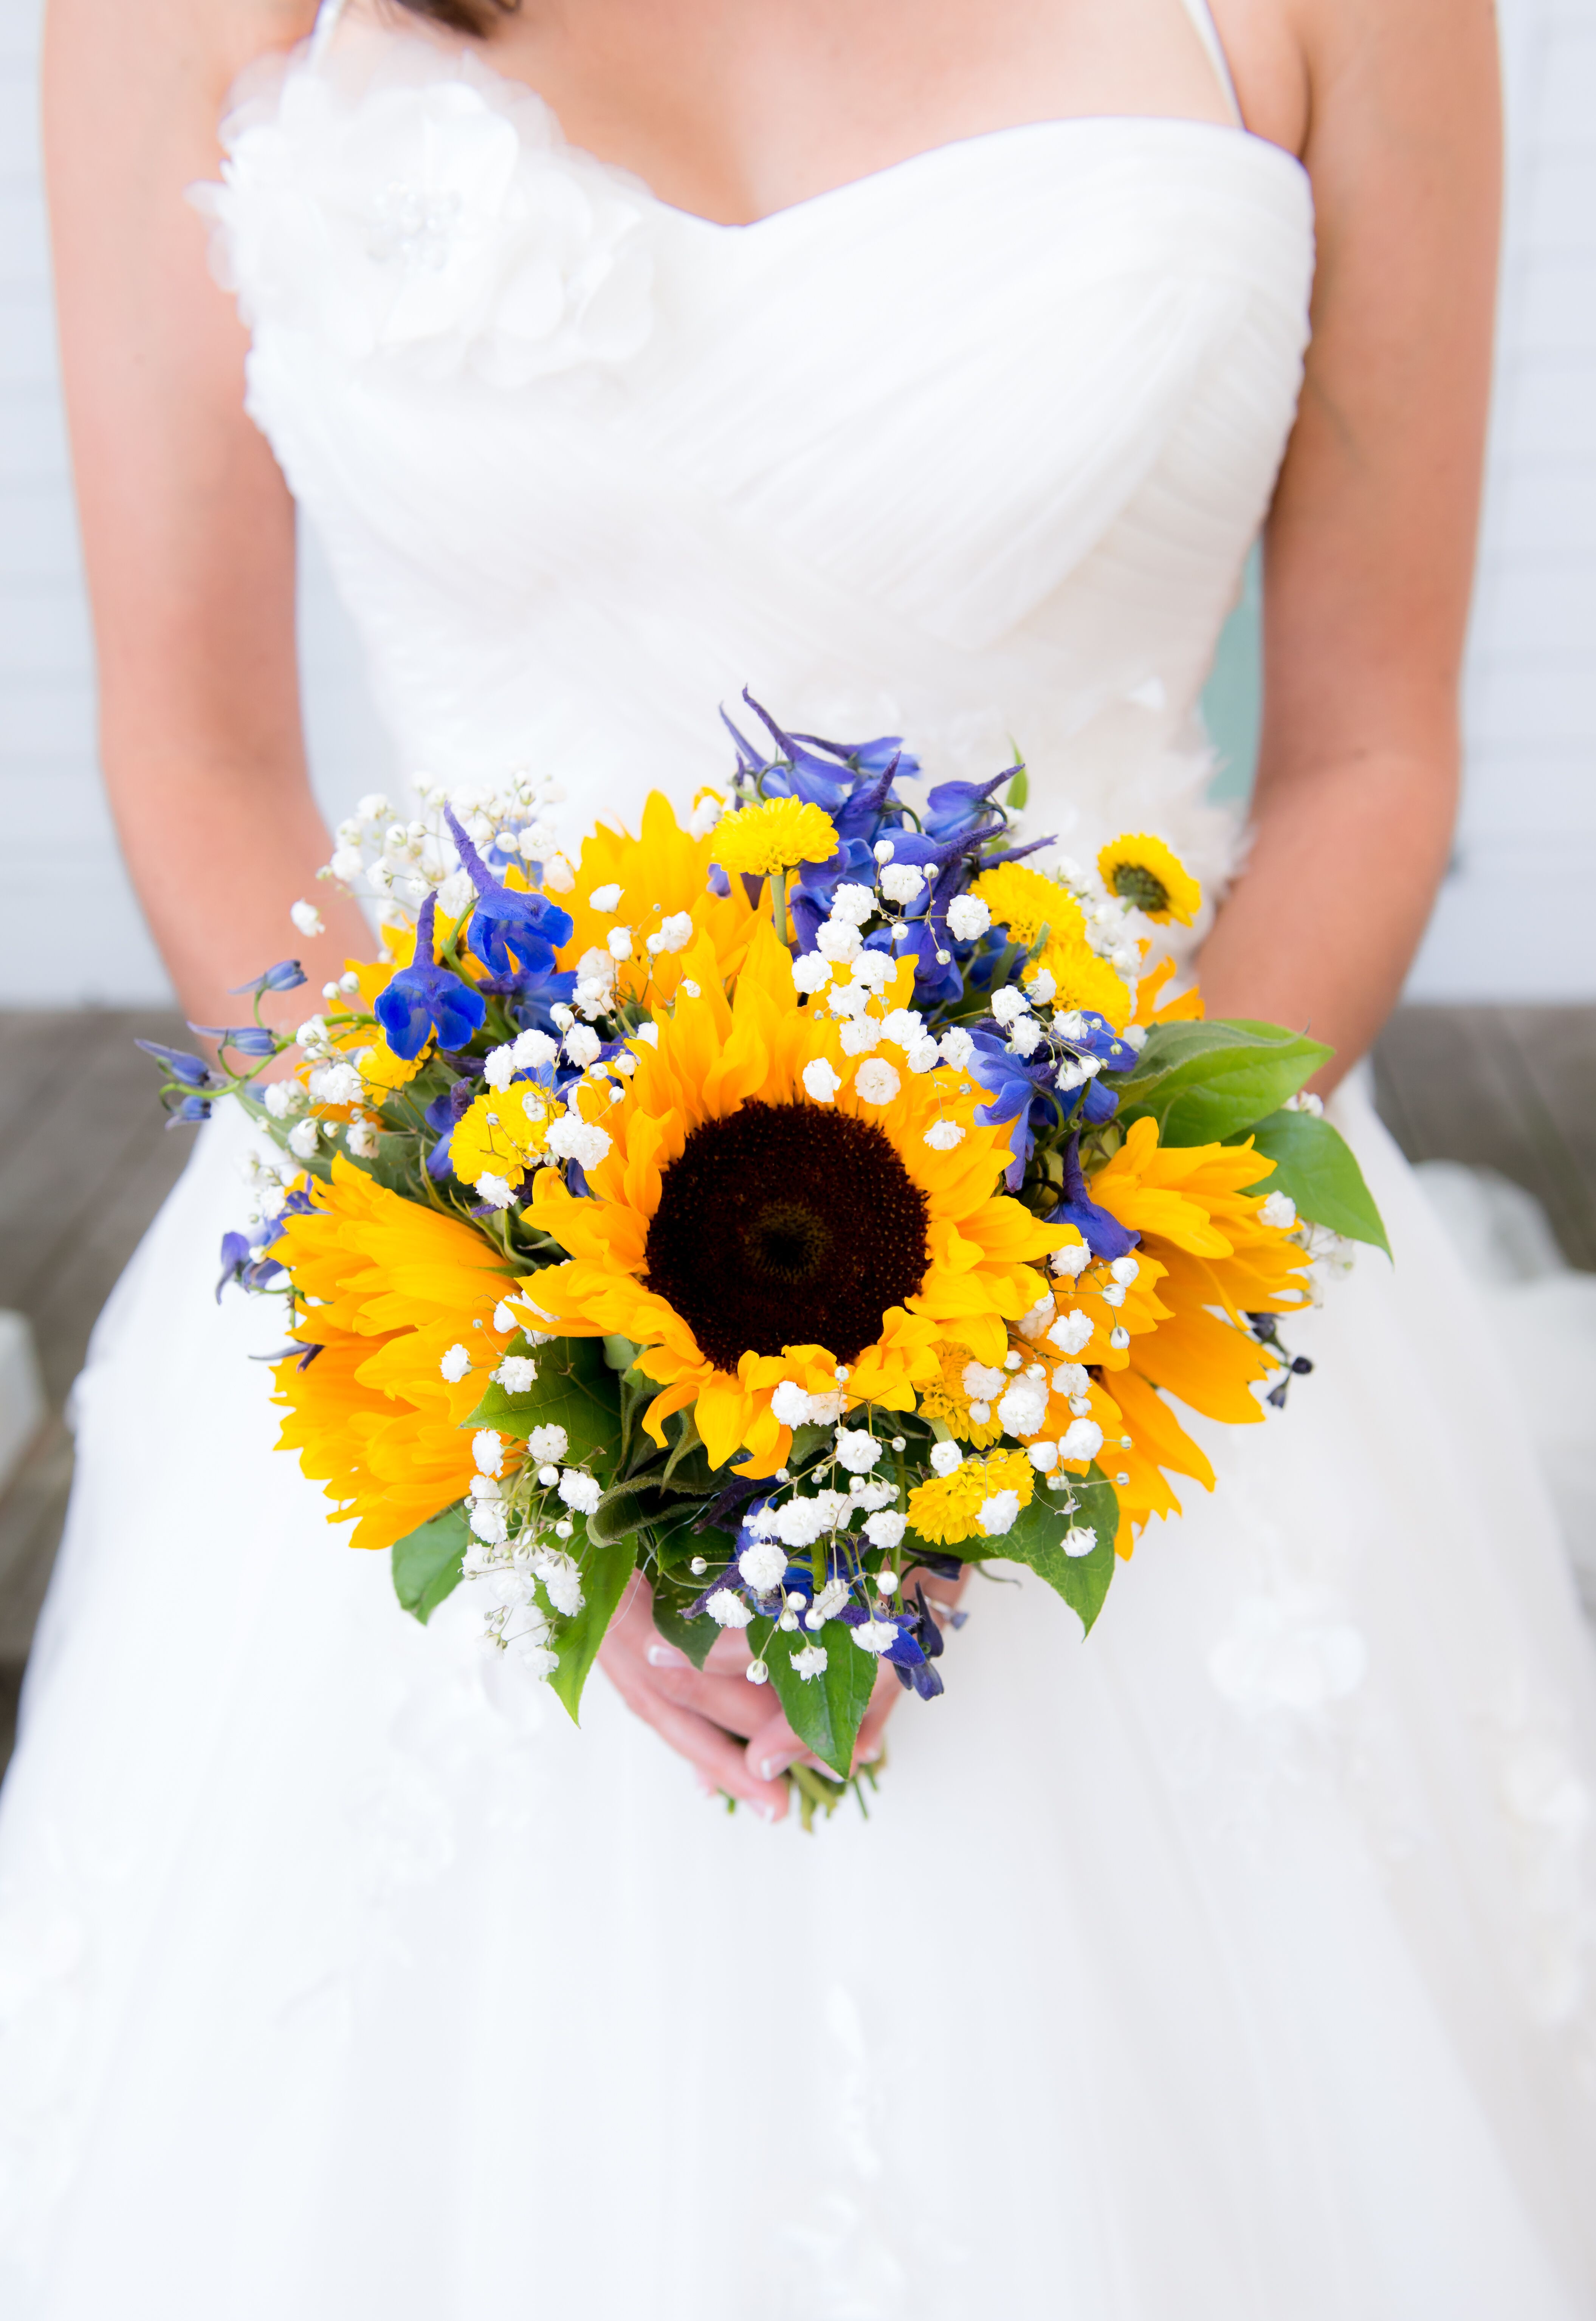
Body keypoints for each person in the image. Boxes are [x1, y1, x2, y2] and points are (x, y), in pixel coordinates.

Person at [3, 0, 1592, 2310]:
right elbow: (202, 747)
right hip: (435, 1311)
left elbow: (1365, 754)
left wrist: (1044, 1324)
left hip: (1142, 1337)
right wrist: (537, 1418)